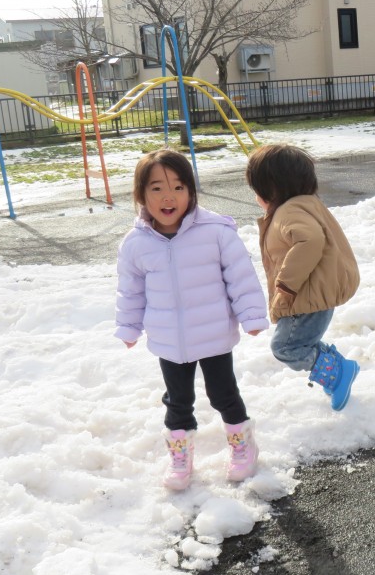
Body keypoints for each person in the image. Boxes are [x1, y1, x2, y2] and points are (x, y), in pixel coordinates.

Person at [115, 149, 269, 489]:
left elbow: (240, 276)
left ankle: (243, 447)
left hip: (213, 333)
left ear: (191, 191)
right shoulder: (136, 244)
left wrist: (252, 315)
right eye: (157, 188)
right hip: (169, 340)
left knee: (223, 394)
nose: (168, 197)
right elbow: (130, 290)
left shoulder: (215, 231)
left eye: (178, 187)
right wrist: (128, 326)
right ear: (141, 195)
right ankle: (180, 457)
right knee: (178, 401)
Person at [245, 144, 361, 410]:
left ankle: (338, 372)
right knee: (299, 342)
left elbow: (310, 241)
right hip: (311, 294)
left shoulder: (289, 212)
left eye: (256, 188)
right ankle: (335, 369)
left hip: (304, 296)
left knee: (286, 348)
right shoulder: (304, 205)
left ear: (271, 189)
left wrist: (286, 286)